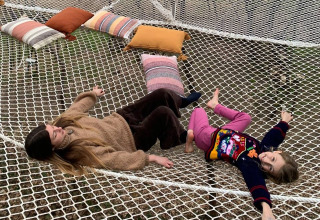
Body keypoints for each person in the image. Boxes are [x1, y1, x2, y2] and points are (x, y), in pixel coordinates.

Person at [25, 86, 201, 175]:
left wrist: (92, 94)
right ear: (53, 148)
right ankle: (180, 137)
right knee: (163, 113)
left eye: (52, 127)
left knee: (160, 94)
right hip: (133, 140)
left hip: (121, 118)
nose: (57, 128)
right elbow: (113, 159)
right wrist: (149, 158)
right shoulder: (78, 151)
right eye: (54, 133)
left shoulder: (64, 123)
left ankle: (180, 101)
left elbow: (78, 107)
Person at [185, 88, 298, 220]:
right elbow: (274, 137)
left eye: (270, 168)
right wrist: (284, 122)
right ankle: (214, 105)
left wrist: (266, 209)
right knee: (245, 117)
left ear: (269, 174)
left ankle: (189, 141)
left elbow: (256, 184)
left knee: (198, 110)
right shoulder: (265, 150)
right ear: (278, 152)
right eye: (273, 158)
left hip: (209, 140)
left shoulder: (252, 165)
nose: (266, 160)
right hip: (227, 133)